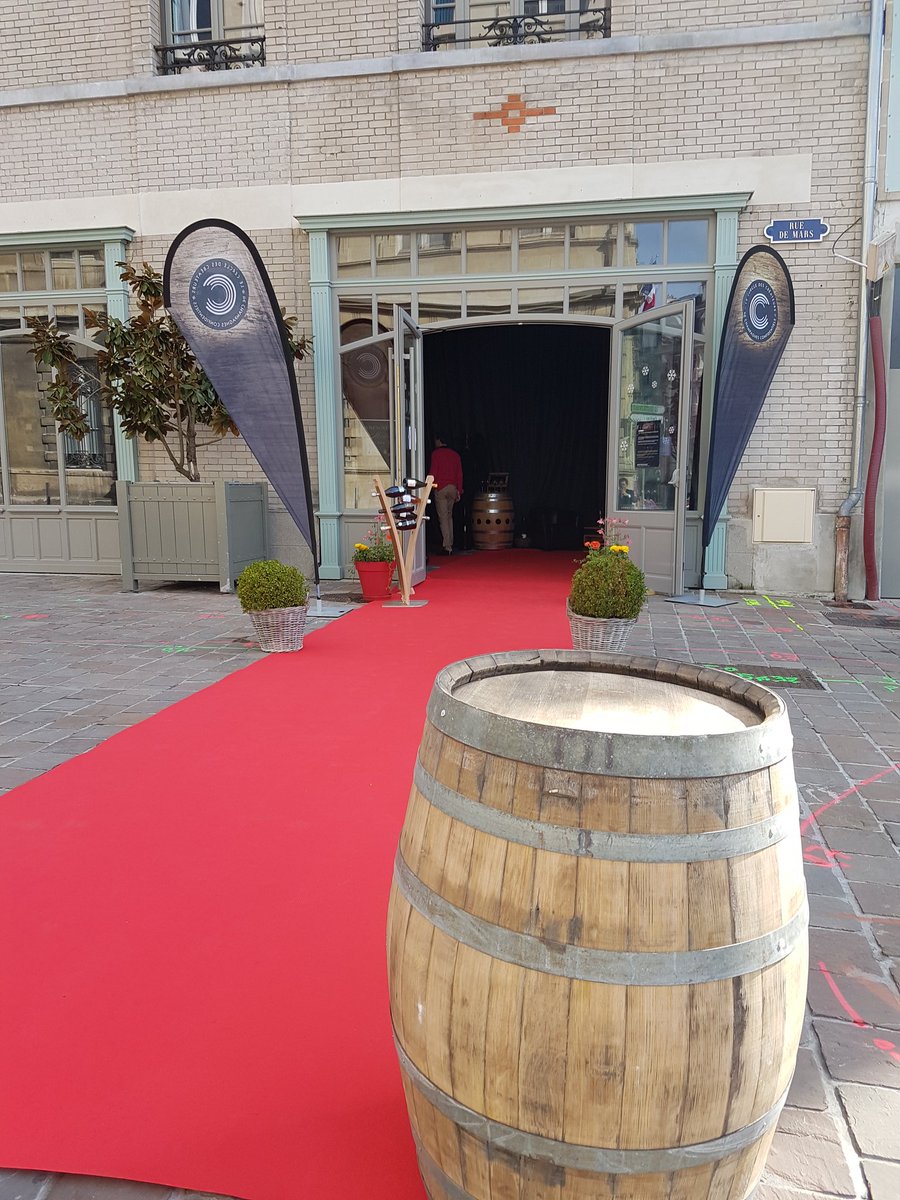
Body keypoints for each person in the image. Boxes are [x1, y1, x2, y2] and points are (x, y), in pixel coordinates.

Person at [429, 434, 463, 554]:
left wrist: (429, 485)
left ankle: (447, 546)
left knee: (443, 517)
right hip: (453, 487)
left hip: (441, 487)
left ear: (439, 441)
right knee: (449, 516)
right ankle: (450, 542)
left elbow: (434, 471)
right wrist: (459, 490)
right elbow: (459, 474)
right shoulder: (455, 455)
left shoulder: (436, 454)